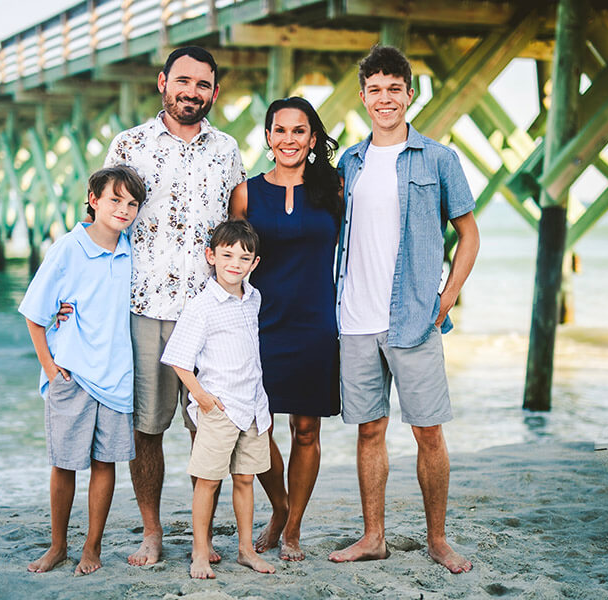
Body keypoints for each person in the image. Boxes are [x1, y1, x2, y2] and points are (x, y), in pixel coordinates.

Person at [59, 46, 245, 566]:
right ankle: (152, 531)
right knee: (148, 428)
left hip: (209, 312)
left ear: (214, 91)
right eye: (182, 80)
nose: (192, 91)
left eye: (203, 84)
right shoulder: (130, 144)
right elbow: (101, 226)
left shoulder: (227, 149)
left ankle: (207, 535)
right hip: (143, 308)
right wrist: (71, 296)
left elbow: (239, 229)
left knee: (211, 425)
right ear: (163, 82)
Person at [327, 46, 479, 574]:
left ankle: (438, 539)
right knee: (369, 430)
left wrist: (448, 295)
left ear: (409, 95)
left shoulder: (438, 158)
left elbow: (468, 233)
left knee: (428, 432)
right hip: (355, 320)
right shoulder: (349, 161)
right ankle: (374, 536)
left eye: (395, 89)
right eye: (375, 89)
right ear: (363, 97)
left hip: (413, 319)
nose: (385, 98)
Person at [18, 166, 146, 575]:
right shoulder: (69, 248)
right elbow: (35, 314)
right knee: (64, 463)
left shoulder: (130, 251)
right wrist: (51, 368)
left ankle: (92, 548)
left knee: (106, 464)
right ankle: (57, 546)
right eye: (115, 199)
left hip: (116, 377)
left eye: (132, 203)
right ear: (93, 199)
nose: (123, 209)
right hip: (71, 376)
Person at [229, 97, 341, 561]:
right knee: (259, 427)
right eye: (281, 130)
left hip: (317, 321)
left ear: (312, 139)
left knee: (307, 429)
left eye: (300, 131)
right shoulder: (246, 193)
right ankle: (279, 507)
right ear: (269, 137)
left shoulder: (333, 187)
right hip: (262, 322)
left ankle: (292, 528)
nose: (289, 139)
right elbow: (227, 261)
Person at [160, 219, 275, 579]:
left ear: (254, 264)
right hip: (220, 409)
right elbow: (179, 358)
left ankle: (244, 550)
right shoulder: (202, 306)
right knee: (208, 481)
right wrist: (203, 399)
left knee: (245, 480)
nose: (234, 264)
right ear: (211, 256)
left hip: (254, 407)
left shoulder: (253, 298)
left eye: (244, 258)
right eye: (227, 255)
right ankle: (199, 552)